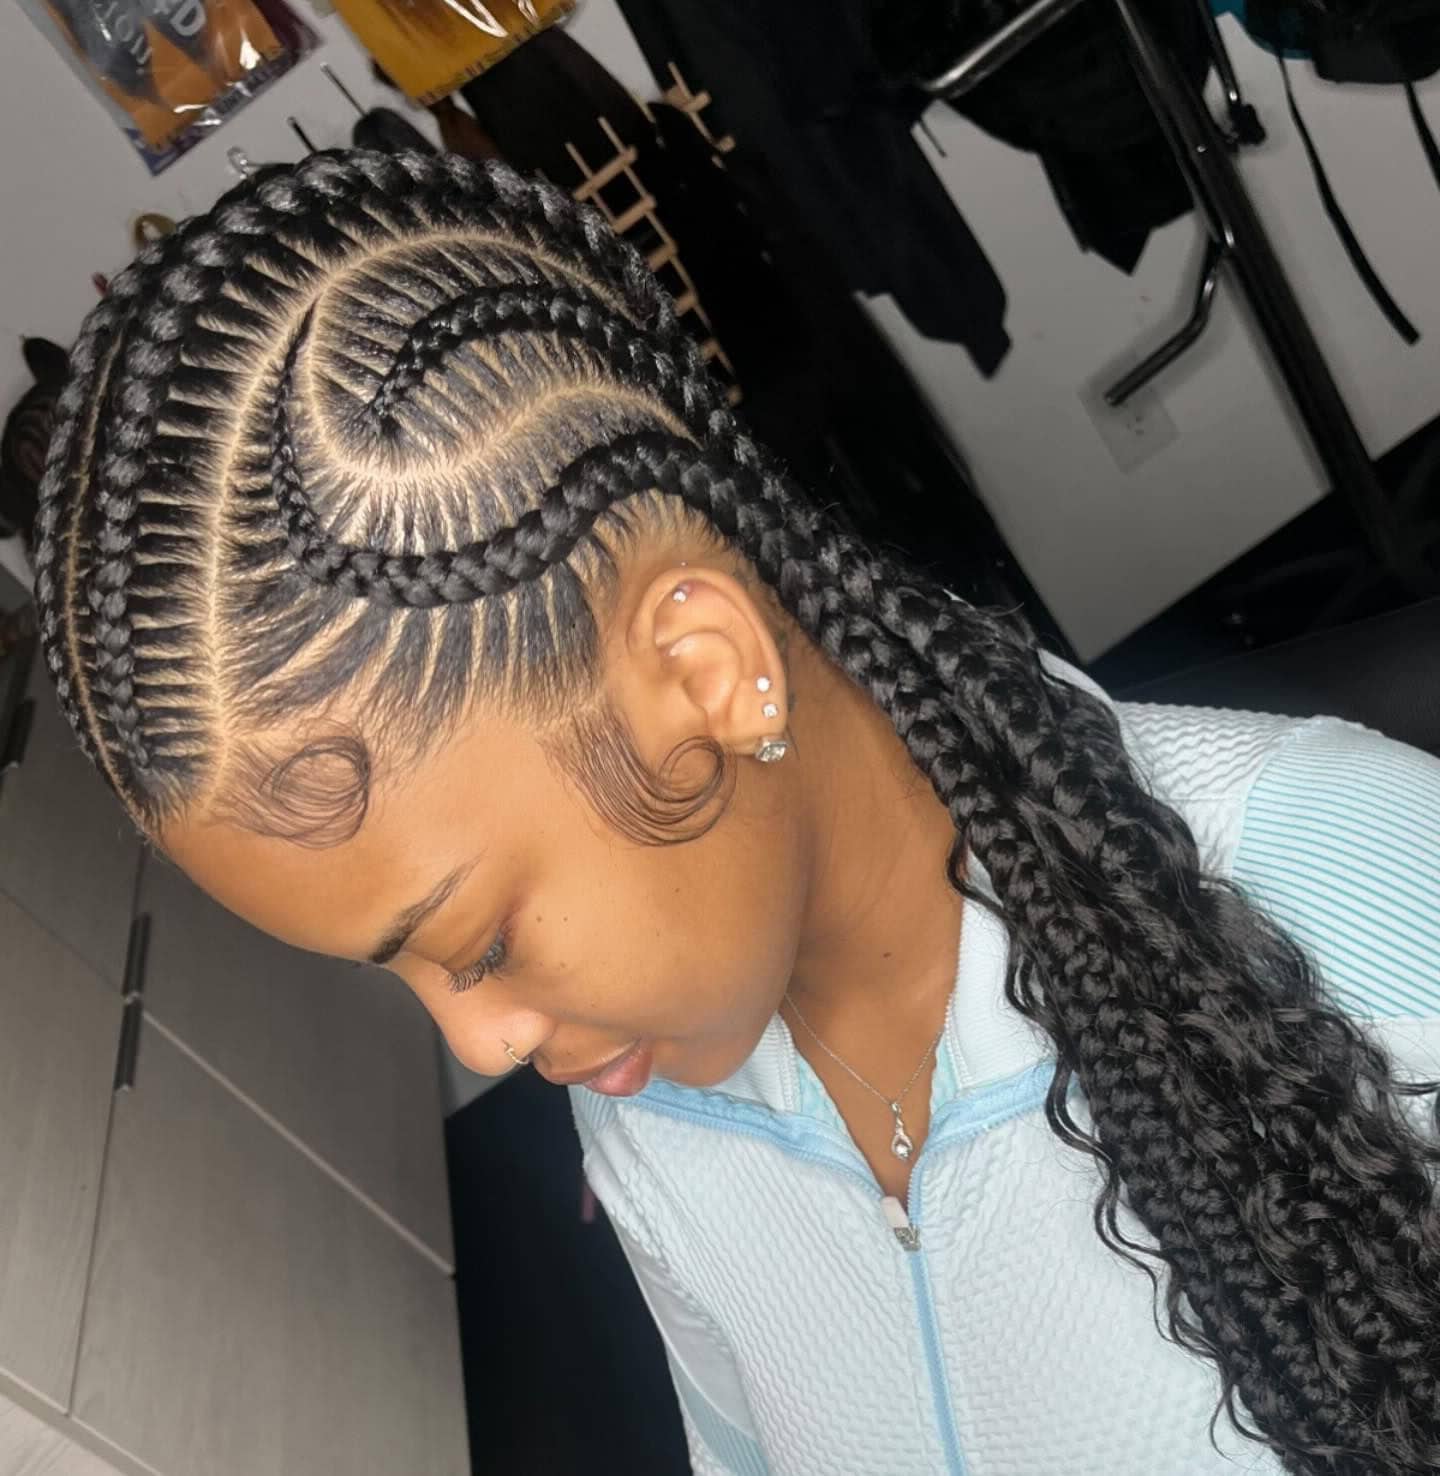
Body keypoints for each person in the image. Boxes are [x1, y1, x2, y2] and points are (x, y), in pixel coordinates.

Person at [36, 150, 1440, 1476]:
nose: (477, 1041)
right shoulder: (654, 1131)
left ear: (701, 676)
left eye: (476, 942)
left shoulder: (1348, 888)